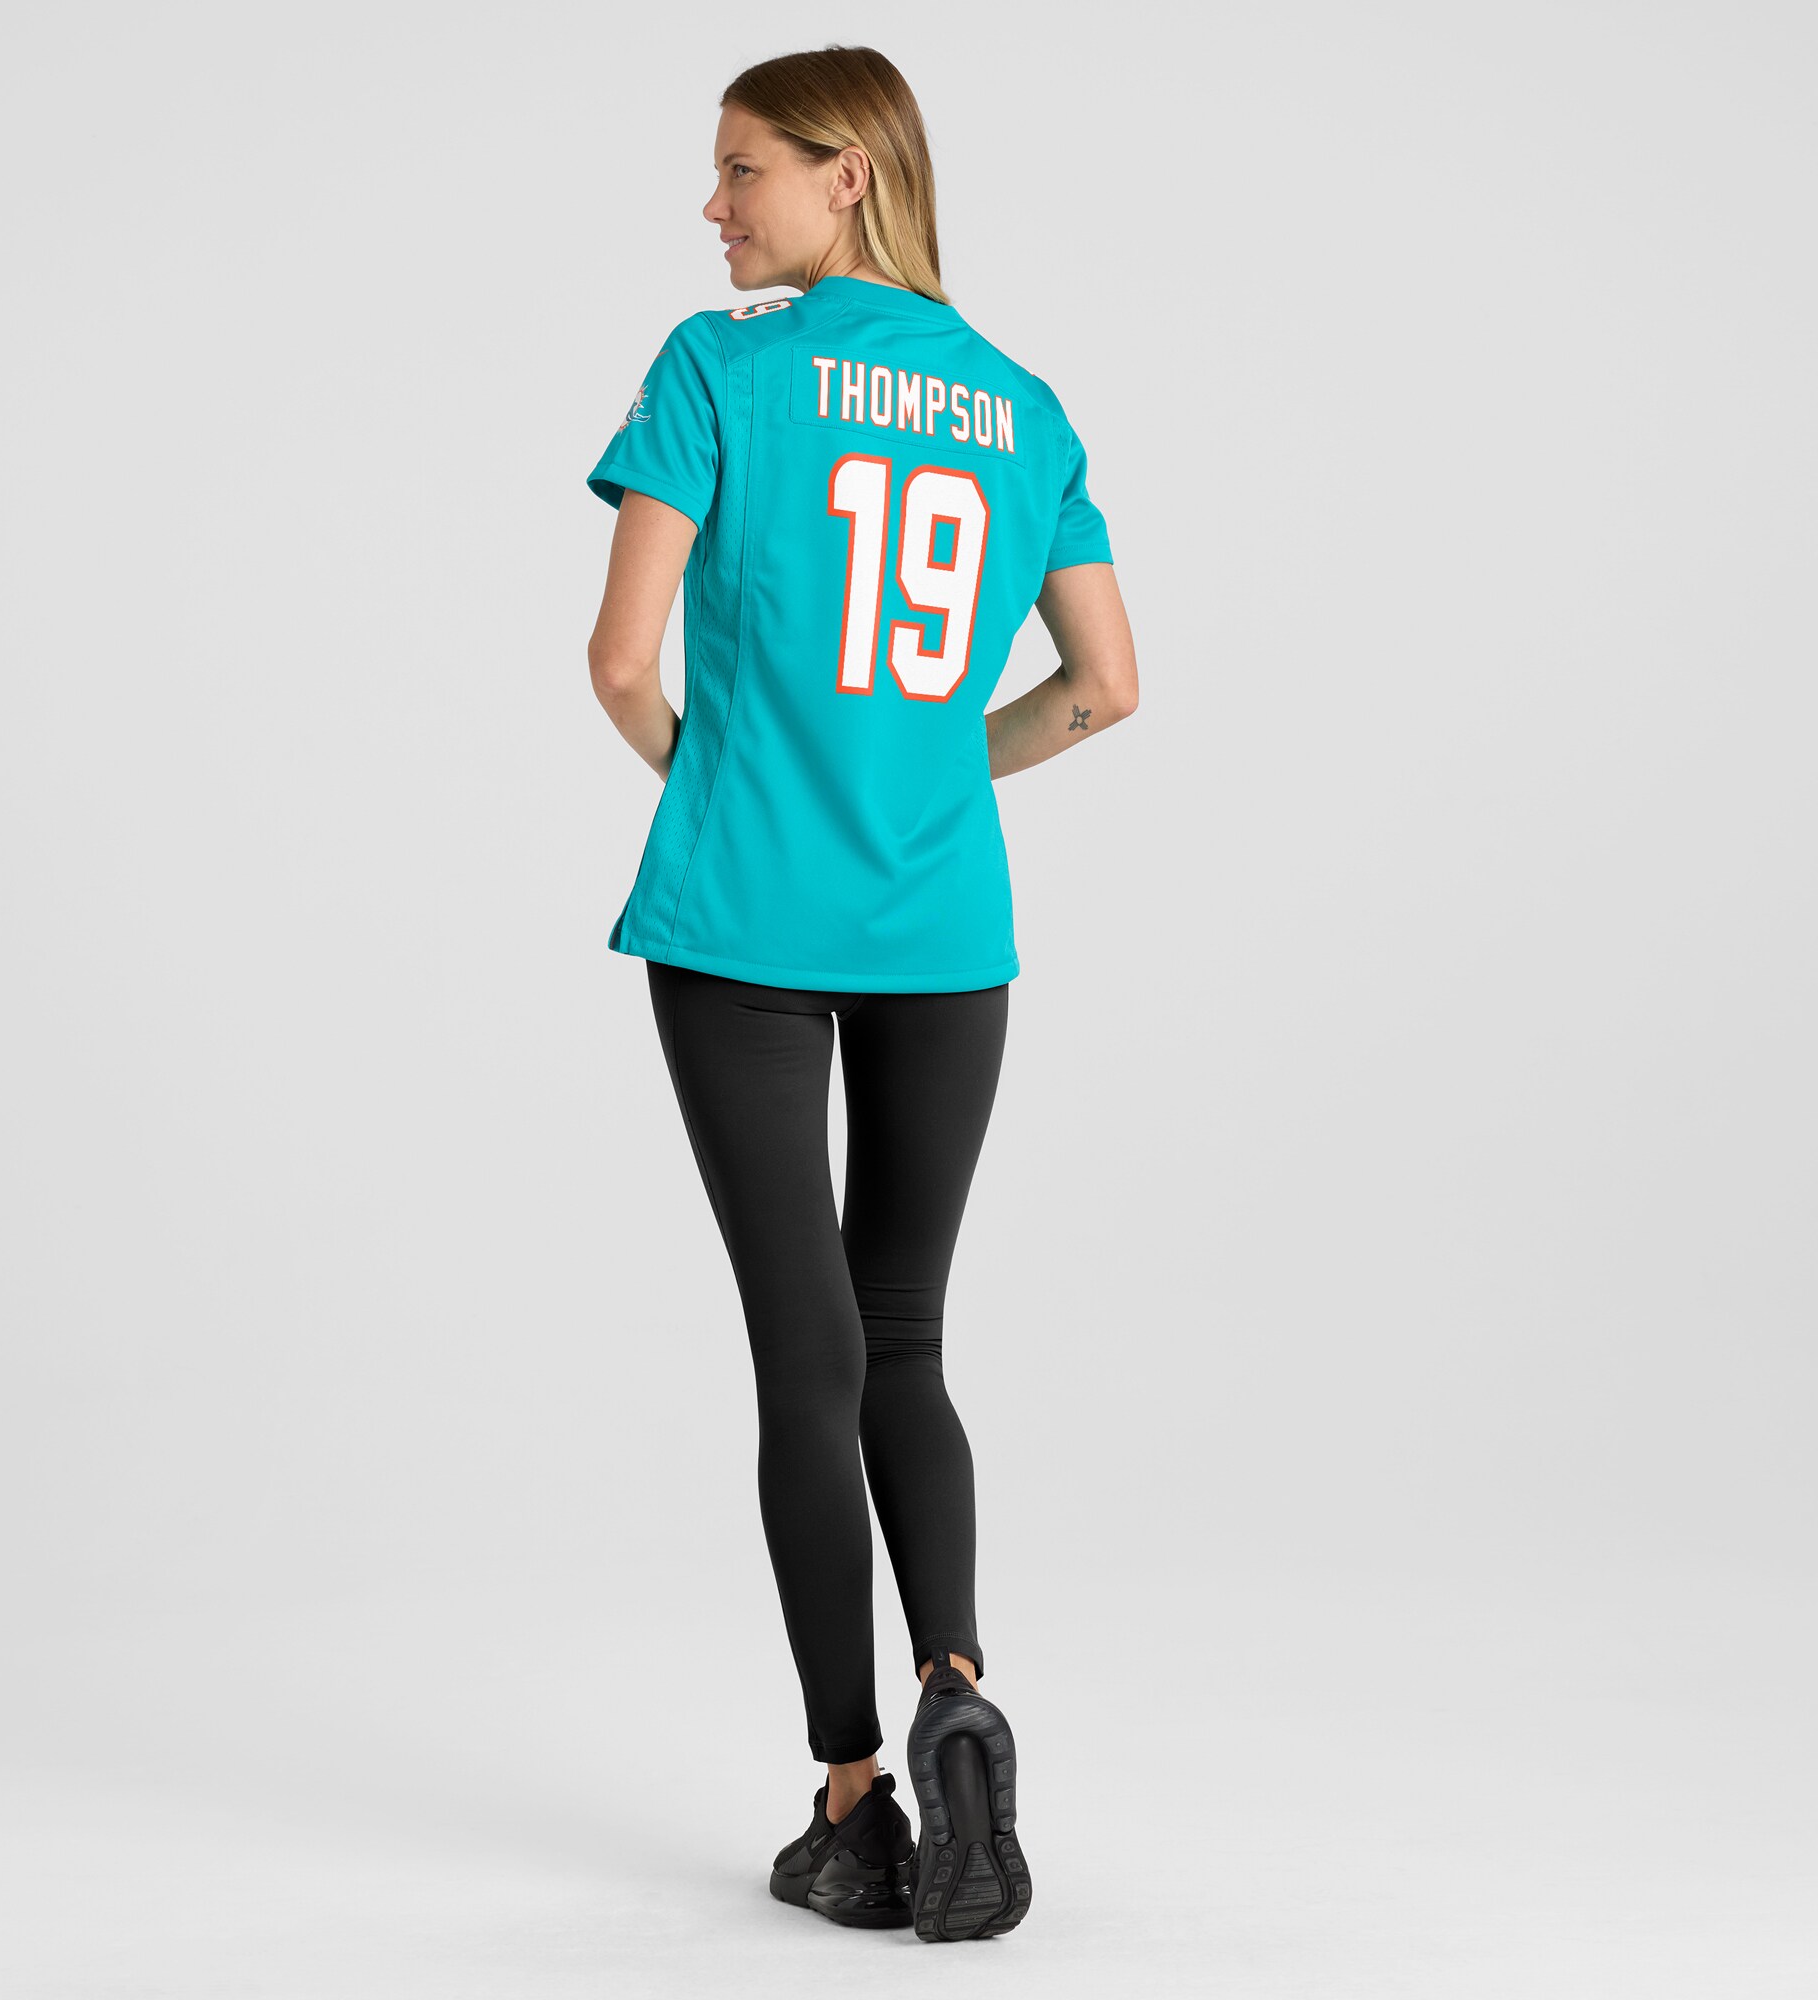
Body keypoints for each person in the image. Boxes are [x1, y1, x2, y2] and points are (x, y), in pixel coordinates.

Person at [583, 44, 1137, 1942]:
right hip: (944, 933)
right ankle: (960, 1687)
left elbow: (620, 660)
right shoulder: (1022, 407)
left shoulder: (717, 367)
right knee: (905, 1330)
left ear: (848, 173)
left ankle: (853, 1801)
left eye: (742, 170)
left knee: (803, 1357)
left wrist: (730, 793)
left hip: (746, 925)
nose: (714, 208)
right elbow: (1107, 686)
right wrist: (923, 782)